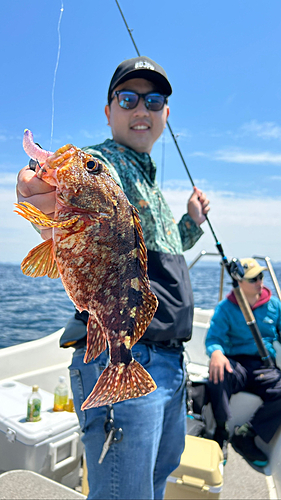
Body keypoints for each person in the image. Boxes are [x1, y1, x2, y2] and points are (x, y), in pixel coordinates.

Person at [17, 56, 210, 500]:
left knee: (155, 485)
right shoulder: (105, 166)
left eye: (154, 100)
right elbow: (56, 199)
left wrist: (192, 222)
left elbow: (161, 254)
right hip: (123, 353)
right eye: (128, 98)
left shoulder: (151, 183)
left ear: (165, 113)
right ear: (109, 111)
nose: (141, 109)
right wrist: (41, 199)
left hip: (170, 362)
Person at [205, 257, 281, 467]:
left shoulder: (274, 305)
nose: (260, 282)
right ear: (240, 281)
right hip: (236, 363)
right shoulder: (225, 308)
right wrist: (217, 354)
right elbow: (213, 339)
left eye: (261, 276)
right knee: (217, 376)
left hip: (264, 366)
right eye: (253, 278)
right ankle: (221, 431)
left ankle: (246, 434)